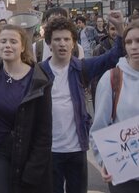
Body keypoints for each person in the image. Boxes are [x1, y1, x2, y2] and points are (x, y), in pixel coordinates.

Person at [40, 12, 125, 193]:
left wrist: (119, 28)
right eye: (57, 40)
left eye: (66, 39)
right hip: (49, 151)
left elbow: (114, 55)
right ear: (49, 43)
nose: (62, 44)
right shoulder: (38, 72)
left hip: (77, 150)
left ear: (73, 43)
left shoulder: (82, 68)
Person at [0, 24, 53, 193]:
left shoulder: (39, 81)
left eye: (13, 41)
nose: (7, 45)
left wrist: (34, 169)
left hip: (27, 153)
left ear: (22, 47)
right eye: (3, 41)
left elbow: (44, 131)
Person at [90, 22, 139, 192]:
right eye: (129, 42)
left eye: (138, 41)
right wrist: (105, 161)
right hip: (126, 174)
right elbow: (99, 127)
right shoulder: (112, 78)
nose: (134, 47)